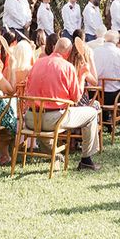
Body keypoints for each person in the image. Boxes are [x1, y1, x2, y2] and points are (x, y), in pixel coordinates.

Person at [23, 37, 101, 170]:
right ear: (69, 52)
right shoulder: (67, 67)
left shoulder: (37, 63)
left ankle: (56, 155)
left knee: (43, 126)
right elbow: (76, 98)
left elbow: (27, 88)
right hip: (53, 119)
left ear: (54, 48)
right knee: (92, 113)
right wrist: (82, 76)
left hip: (31, 119)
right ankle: (86, 159)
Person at [93, 30, 120, 132]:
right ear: (117, 41)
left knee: (103, 92)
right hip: (114, 95)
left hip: (96, 93)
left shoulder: (95, 51)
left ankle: (105, 121)